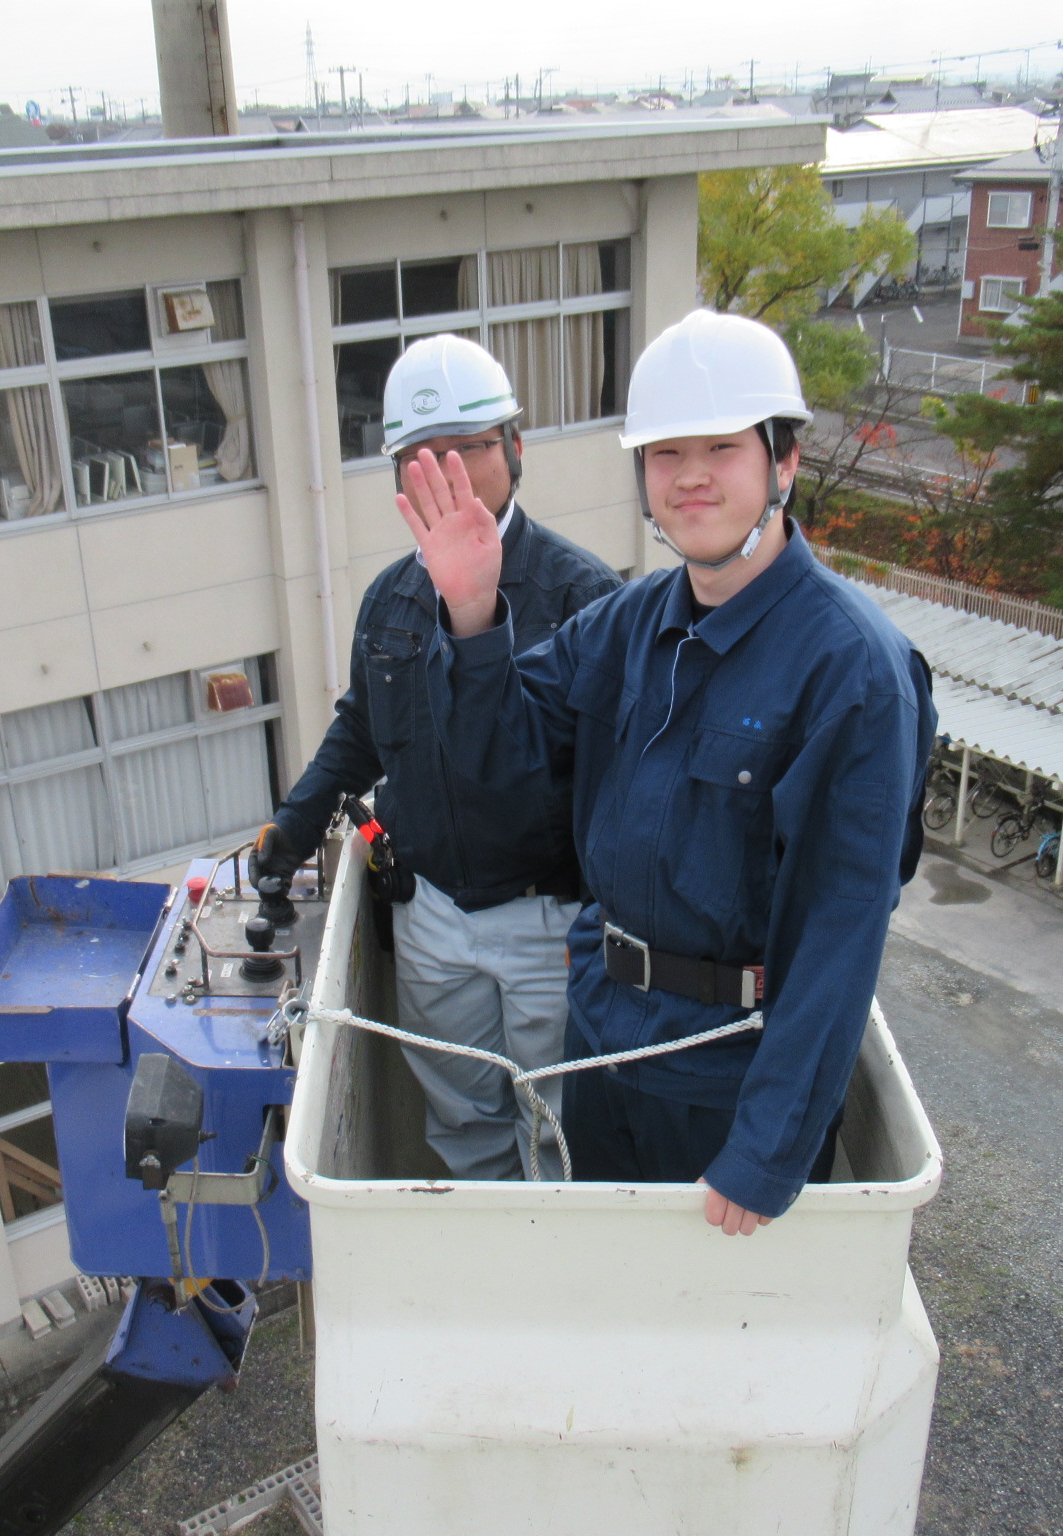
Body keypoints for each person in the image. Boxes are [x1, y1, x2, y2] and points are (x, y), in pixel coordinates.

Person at [395, 309, 936, 1230]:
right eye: (663, 452)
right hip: (605, 1045)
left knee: (717, 1343)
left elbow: (840, 933)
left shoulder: (850, 669)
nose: (689, 477)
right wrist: (475, 612)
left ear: (785, 460)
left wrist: (765, 1156)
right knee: (615, 1304)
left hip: (726, 1075)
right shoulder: (632, 622)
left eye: (721, 448)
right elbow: (501, 766)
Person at [254, 334, 620, 1180]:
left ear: (516, 449)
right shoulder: (393, 598)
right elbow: (361, 725)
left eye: (468, 449)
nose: (446, 473)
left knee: (558, 1133)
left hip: (550, 921)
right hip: (431, 920)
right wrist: (296, 820)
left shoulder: (581, 597)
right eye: (420, 459)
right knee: (462, 1124)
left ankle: (559, 1295)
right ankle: (491, 1293)